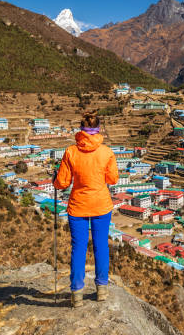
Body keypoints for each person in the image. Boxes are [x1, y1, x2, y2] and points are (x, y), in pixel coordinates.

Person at [53, 111, 118, 307]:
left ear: (81, 130)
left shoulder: (71, 152)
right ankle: (102, 290)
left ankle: (77, 294)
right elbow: (113, 179)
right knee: (101, 248)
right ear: (98, 130)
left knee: (78, 249)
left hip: (78, 206)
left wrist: (54, 180)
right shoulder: (106, 152)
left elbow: (63, 182)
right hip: (101, 205)